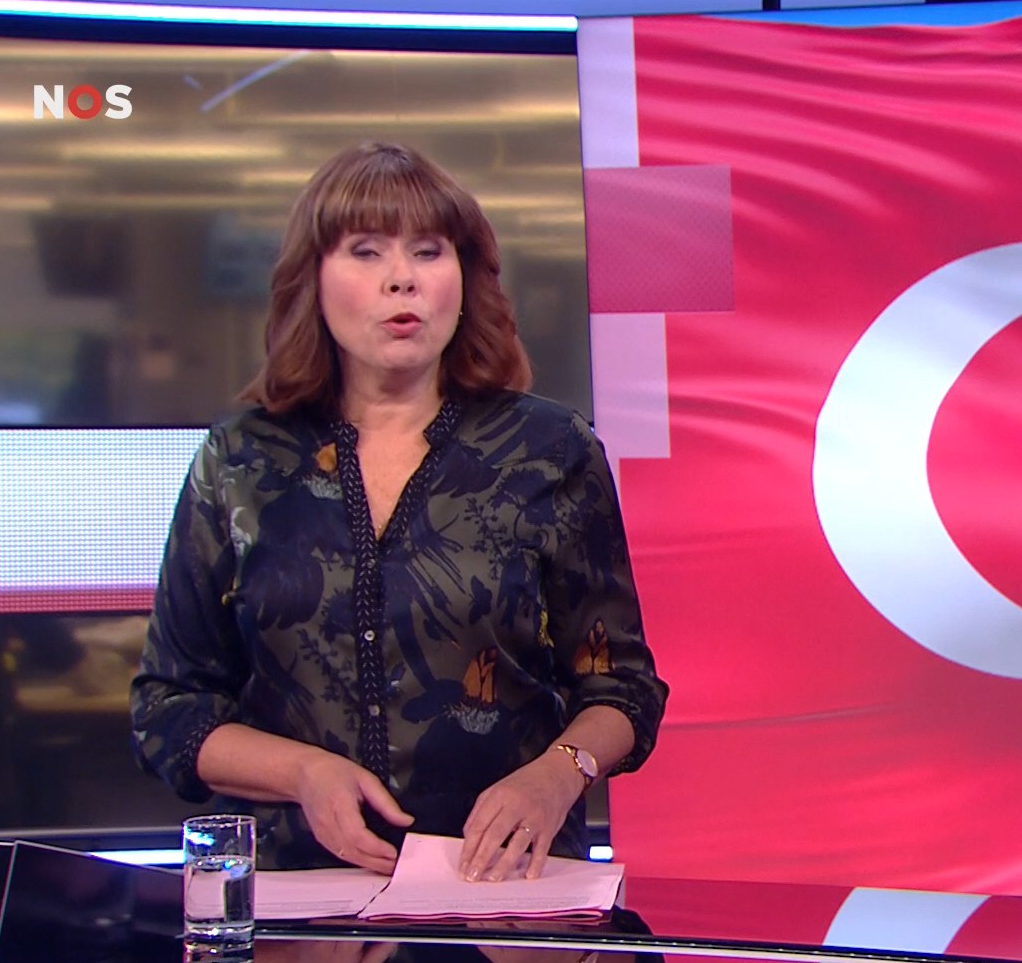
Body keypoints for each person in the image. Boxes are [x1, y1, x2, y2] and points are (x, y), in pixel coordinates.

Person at [130, 142, 666, 884]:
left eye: (427, 250)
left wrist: (557, 774)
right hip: (300, 899)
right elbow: (168, 707)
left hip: (504, 894)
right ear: (313, 280)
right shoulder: (241, 462)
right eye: (366, 251)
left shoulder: (549, 451)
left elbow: (622, 689)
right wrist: (303, 773)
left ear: (463, 278)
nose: (401, 277)